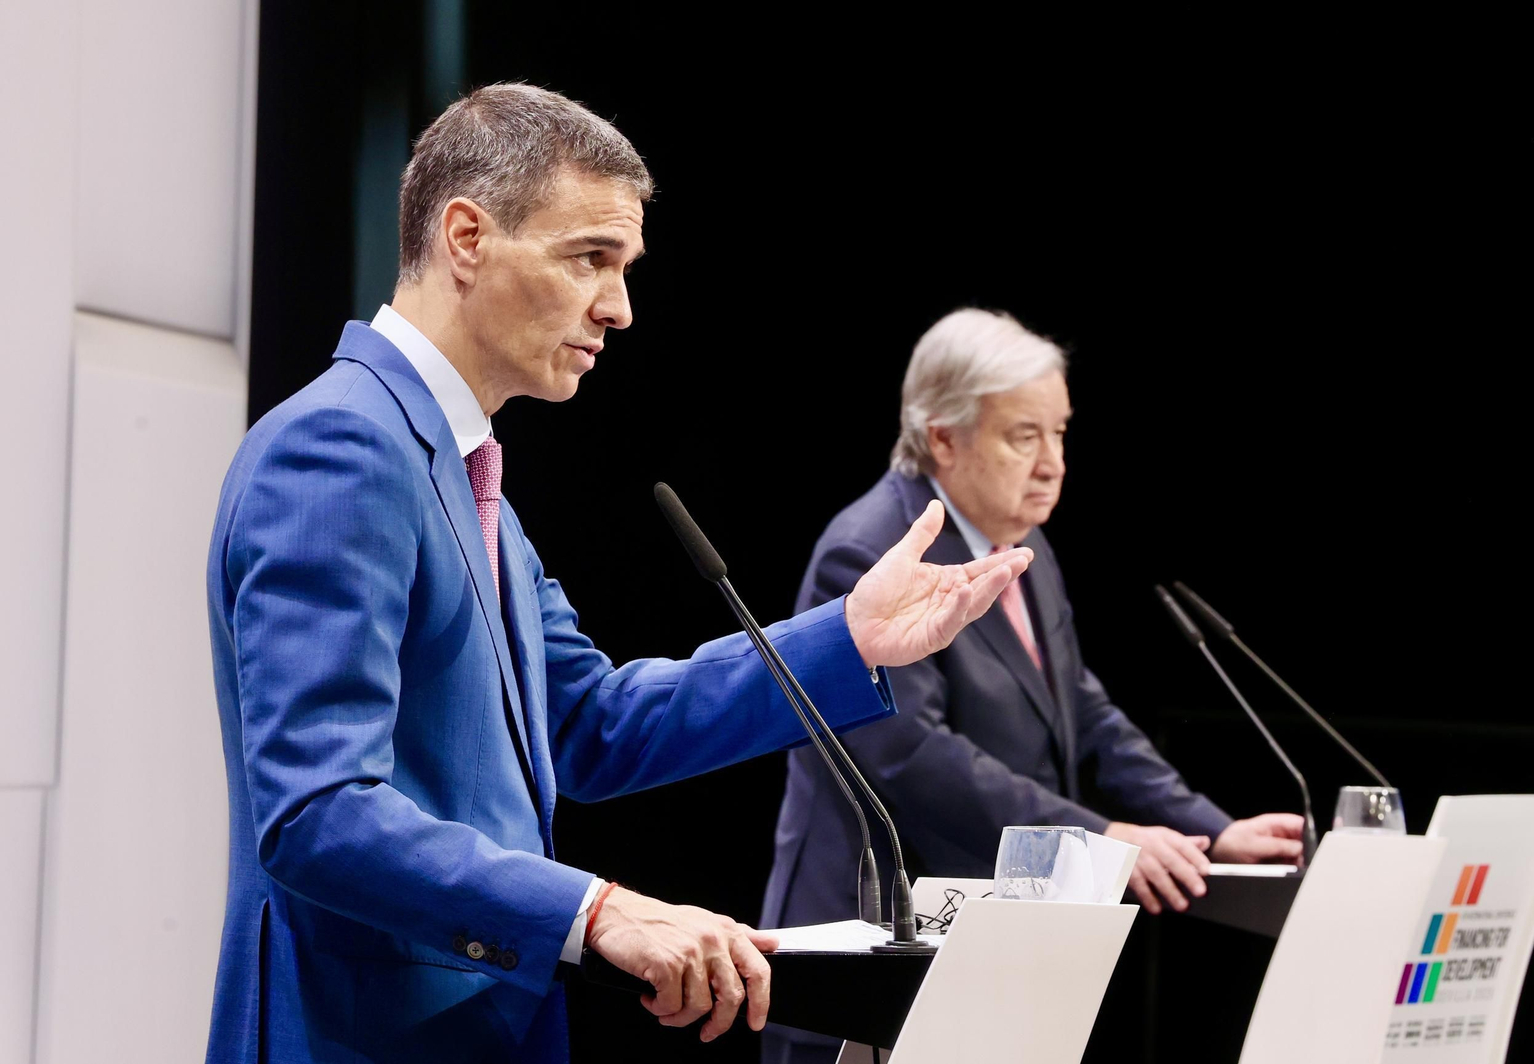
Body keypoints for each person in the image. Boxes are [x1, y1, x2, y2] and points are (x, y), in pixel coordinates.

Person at [203, 87, 1032, 1064]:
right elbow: (317, 811)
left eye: (624, 266)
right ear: (465, 236)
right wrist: (594, 908)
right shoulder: (342, 447)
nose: (619, 306)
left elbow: (592, 723)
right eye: (588, 257)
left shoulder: (471, 484)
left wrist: (845, 637)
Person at [759, 308, 1304, 1063]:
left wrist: (1210, 827)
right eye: (1025, 436)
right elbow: (911, 758)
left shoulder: (1023, 542)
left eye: (1060, 433)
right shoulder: (869, 552)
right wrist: (1102, 838)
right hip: (875, 959)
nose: (1054, 464)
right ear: (943, 437)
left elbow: (1083, 707)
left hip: (1000, 951)